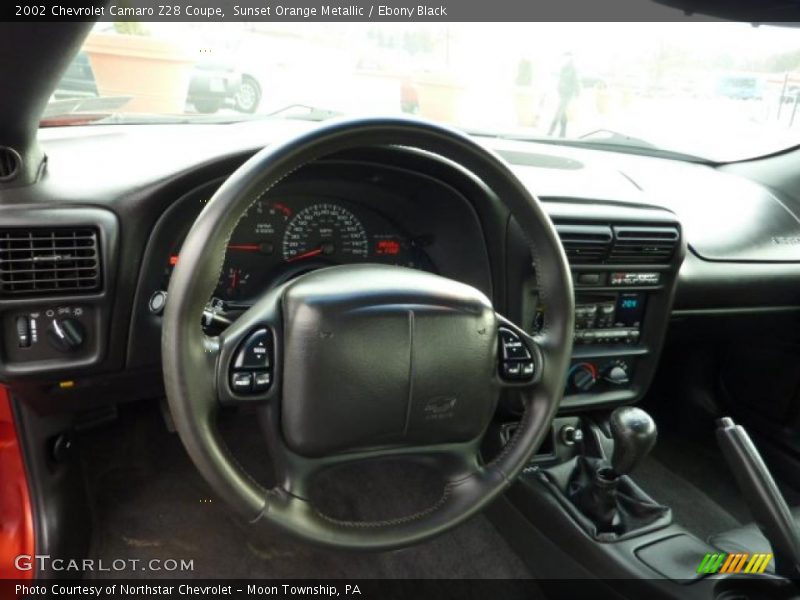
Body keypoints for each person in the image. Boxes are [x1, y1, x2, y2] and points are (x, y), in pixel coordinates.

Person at [548, 52, 580, 138]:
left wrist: (577, 93)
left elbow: (575, 82)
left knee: (559, 112)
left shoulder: (572, 69)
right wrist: (558, 88)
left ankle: (551, 131)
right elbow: (560, 80)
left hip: (567, 94)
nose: (565, 58)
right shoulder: (563, 68)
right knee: (563, 112)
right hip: (562, 93)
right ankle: (562, 133)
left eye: (567, 57)